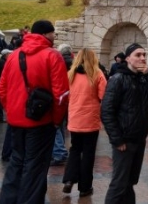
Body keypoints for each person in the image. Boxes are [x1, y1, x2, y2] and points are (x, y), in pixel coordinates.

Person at [0, 20, 70, 204]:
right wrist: (56, 120)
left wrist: (12, 111)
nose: (55, 36)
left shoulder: (14, 55)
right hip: (41, 121)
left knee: (16, 163)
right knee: (35, 167)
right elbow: (61, 95)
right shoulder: (52, 56)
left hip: (16, 122)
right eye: (53, 33)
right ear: (47, 34)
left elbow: (1, 90)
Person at [101, 43, 148, 204]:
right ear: (128, 58)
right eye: (138, 55)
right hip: (124, 140)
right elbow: (106, 111)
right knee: (119, 184)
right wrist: (117, 139)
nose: (142, 58)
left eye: (144, 54)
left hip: (139, 138)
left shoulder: (143, 78)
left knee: (130, 182)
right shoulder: (118, 79)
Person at [62, 48, 107, 198]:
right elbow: (103, 96)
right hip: (90, 119)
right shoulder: (97, 74)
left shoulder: (70, 74)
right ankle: (85, 187)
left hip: (75, 118)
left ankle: (69, 179)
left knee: (75, 149)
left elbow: (66, 96)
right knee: (88, 153)